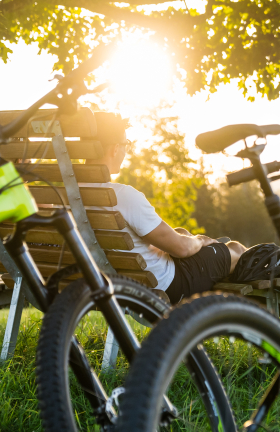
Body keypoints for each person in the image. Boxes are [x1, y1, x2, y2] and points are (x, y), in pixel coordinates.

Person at [84, 113, 247, 303]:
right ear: (115, 148)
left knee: (181, 232)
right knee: (235, 249)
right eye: (126, 144)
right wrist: (200, 241)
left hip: (109, 283)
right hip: (166, 287)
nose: (126, 151)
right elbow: (182, 249)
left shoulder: (68, 196)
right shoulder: (122, 196)